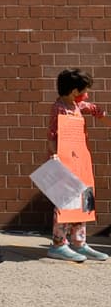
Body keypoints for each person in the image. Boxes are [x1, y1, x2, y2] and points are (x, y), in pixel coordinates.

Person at [46, 68, 108, 262]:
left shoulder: (77, 106)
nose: (85, 94)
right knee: (65, 201)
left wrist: (102, 114)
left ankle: (78, 242)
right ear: (74, 91)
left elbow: (96, 110)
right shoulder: (59, 108)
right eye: (84, 90)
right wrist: (55, 156)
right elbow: (52, 136)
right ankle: (58, 244)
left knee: (83, 200)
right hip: (65, 161)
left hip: (80, 161)